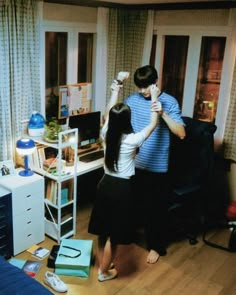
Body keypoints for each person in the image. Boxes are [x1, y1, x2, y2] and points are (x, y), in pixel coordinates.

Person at [88, 72, 162, 282]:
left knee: (103, 230)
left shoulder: (105, 133)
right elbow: (153, 124)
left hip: (104, 185)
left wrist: (117, 84)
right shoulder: (132, 140)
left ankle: (104, 263)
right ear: (127, 120)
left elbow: (109, 113)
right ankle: (104, 272)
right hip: (122, 189)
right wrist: (154, 97)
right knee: (114, 234)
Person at [125, 65, 186, 264]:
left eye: (146, 86)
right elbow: (123, 123)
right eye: (139, 86)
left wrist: (163, 114)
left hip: (157, 167)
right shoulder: (132, 100)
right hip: (134, 163)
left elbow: (181, 133)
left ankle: (156, 247)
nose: (142, 91)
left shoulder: (169, 102)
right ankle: (128, 237)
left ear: (155, 82)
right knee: (132, 205)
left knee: (156, 210)